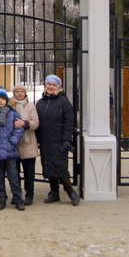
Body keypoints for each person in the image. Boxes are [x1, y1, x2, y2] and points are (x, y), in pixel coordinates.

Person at [35, 74, 80, 206]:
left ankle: (70, 191)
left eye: (54, 85)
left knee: (60, 167)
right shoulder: (40, 102)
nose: (50, 87)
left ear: (58, 87)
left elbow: (69, 122)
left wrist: (66, 140)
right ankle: (54, 192)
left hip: (59, 141)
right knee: (48, 167)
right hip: (44, 141)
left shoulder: (63, 101)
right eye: (49, 84)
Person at [9, 84, 39, 205]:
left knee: (29, 173)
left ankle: (29, 195)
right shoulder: (10, 105)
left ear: (25, 93)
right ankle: (16, 195)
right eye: (17, 91)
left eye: (22, 91)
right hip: (14, 145)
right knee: (14, 174)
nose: (20, 93)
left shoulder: (30, 106)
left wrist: (23, 123)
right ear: (14, 93)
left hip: (28, 144)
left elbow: (35, 122)